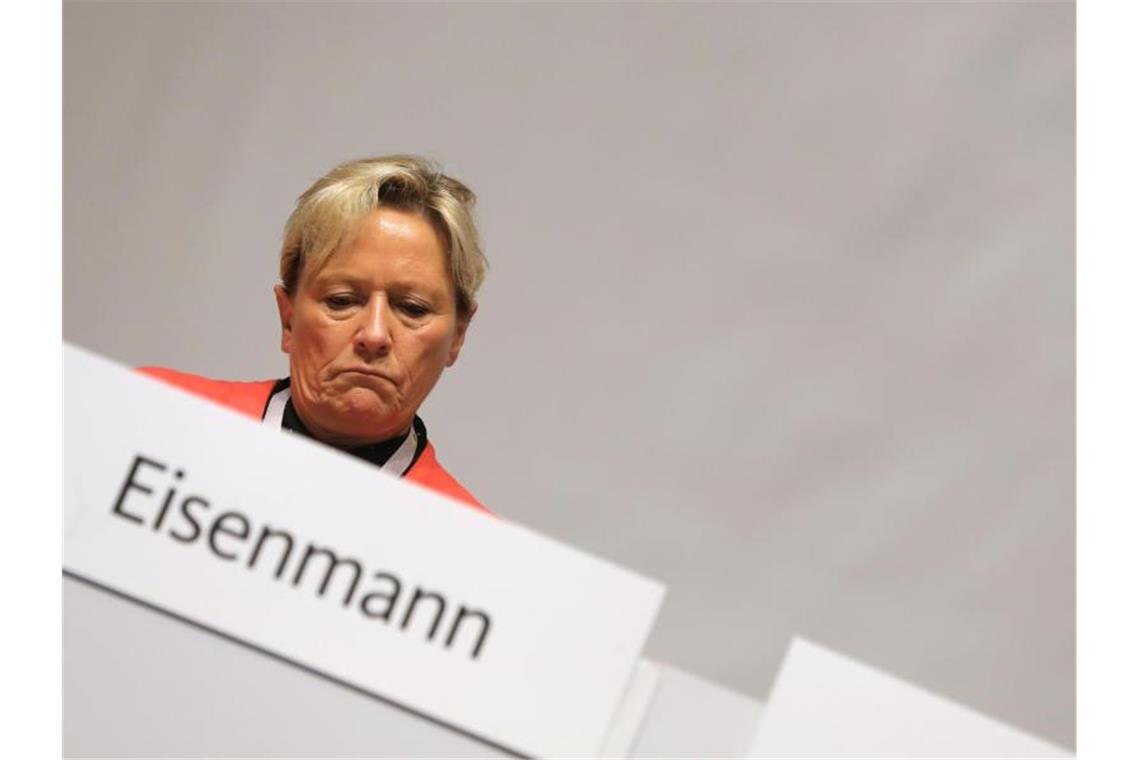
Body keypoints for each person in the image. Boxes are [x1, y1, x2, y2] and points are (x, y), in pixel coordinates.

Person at [140, 155, 489, 513]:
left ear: (458, 335)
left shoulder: (468, 539)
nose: (374, 335)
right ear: (288, 318)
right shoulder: (150, 412)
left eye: (413, 308)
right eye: (342, 301)